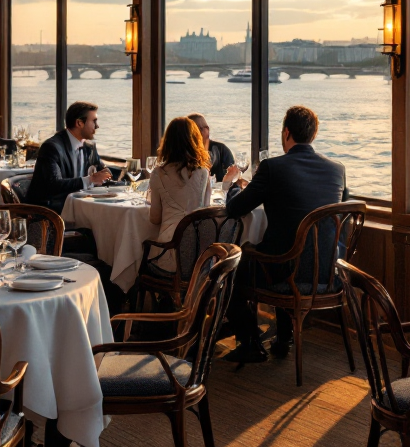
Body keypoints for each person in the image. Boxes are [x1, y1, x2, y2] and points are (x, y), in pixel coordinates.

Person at [223, 105, 349, 363]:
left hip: (283, 270)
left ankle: (250, 342)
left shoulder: (272, 168)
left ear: (286, 133)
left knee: (229, 267)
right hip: (325, 271)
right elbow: (340, 218)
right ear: (313, 135)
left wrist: (234, 186)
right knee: (286, 249)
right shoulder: (337, 170)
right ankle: (284, 336)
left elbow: (235, 209)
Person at [147, 117, 211, 273]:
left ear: (167, 142)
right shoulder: (203, 173)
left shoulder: (158, 174)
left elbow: (155, 218)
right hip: (199, 255)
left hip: (170, 251)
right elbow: (206, 211)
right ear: (195, 141)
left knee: (143, 249)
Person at [27, 101, 110, 213]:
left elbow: (104, 171)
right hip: (51, 213)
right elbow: (53, 185)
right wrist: (90, 179)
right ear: (79, 123)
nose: (97, 126)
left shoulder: (89, 147)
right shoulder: (52, 147)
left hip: (79, 207)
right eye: (94, 121)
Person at [188, 113, 239, 187]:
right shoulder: (184, 155)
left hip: (221, 196)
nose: (205, 130)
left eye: (206, 127)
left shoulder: (221, 150)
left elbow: (233, 178)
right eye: (199, 128)